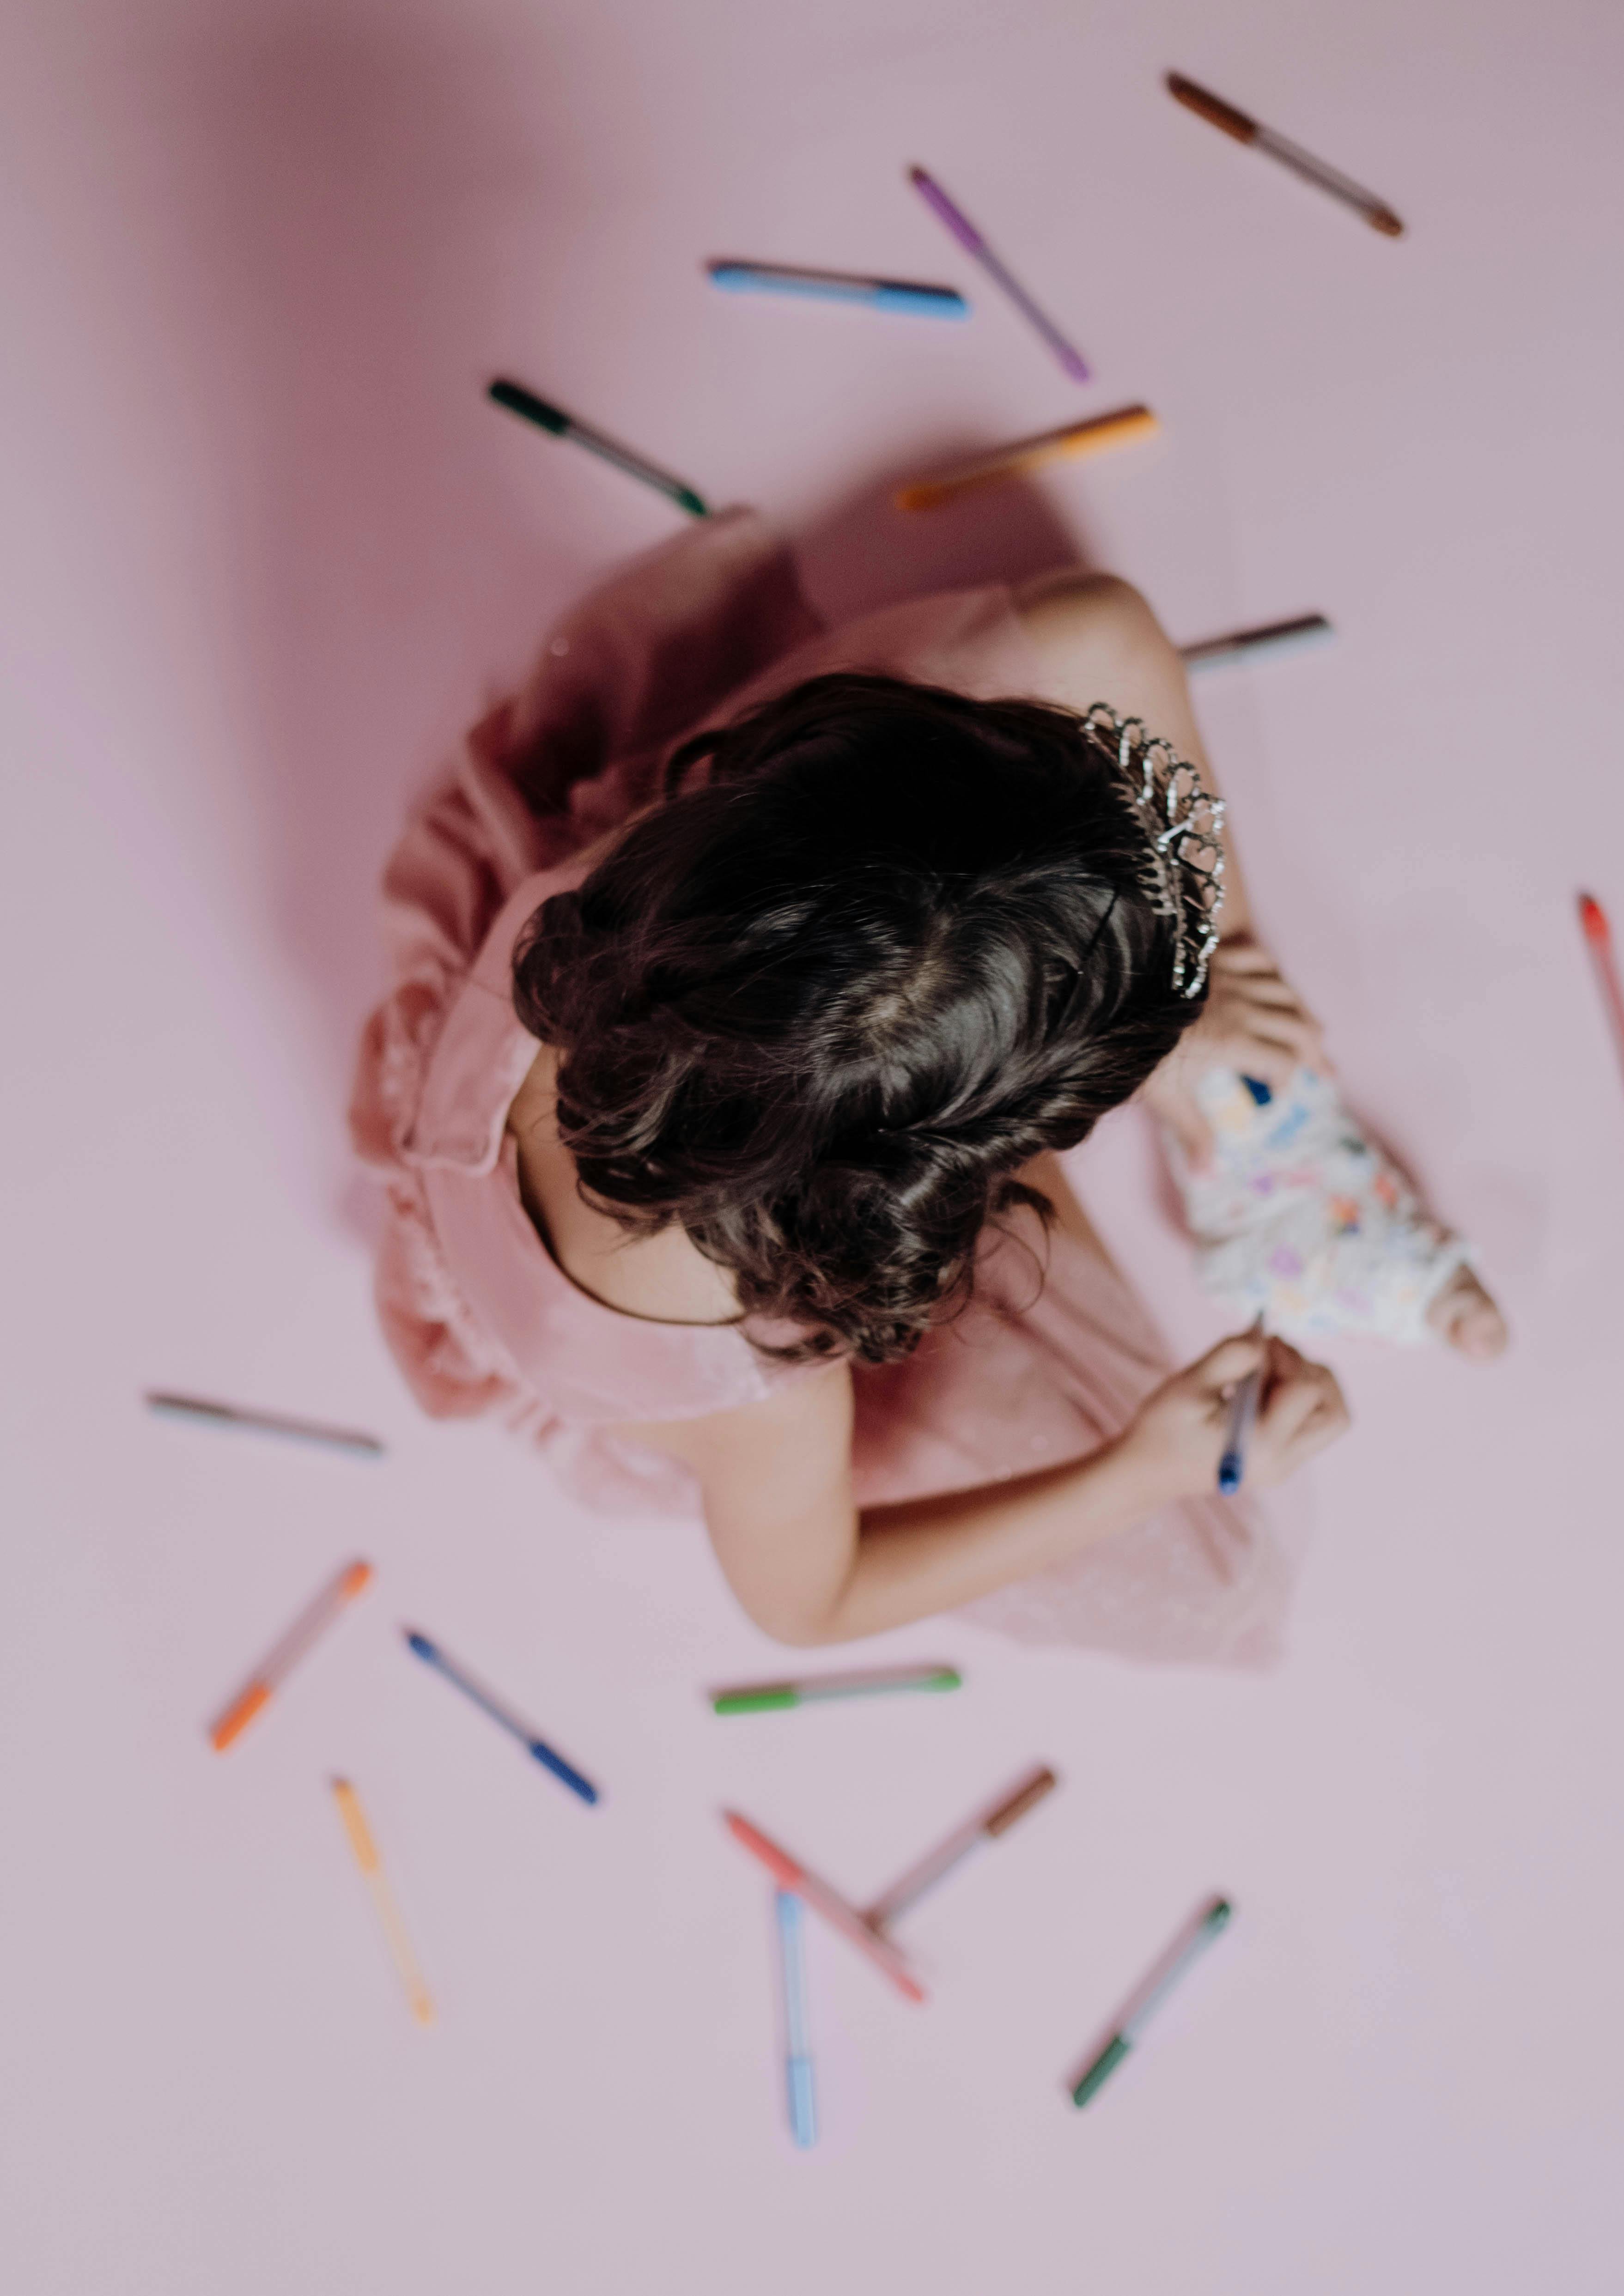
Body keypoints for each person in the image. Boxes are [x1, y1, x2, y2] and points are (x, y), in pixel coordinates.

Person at [352, 511, 1504, 1669]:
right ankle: (1229, 1073)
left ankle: (1253, 1115)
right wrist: (1146, 1465)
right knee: (1215, 1582)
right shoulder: (744, 1380)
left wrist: (1175, 986)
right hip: (680, 1217)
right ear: (951, 1166)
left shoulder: (664, 892)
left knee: (1097, 635)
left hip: (782, 947)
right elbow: (813, 1599)